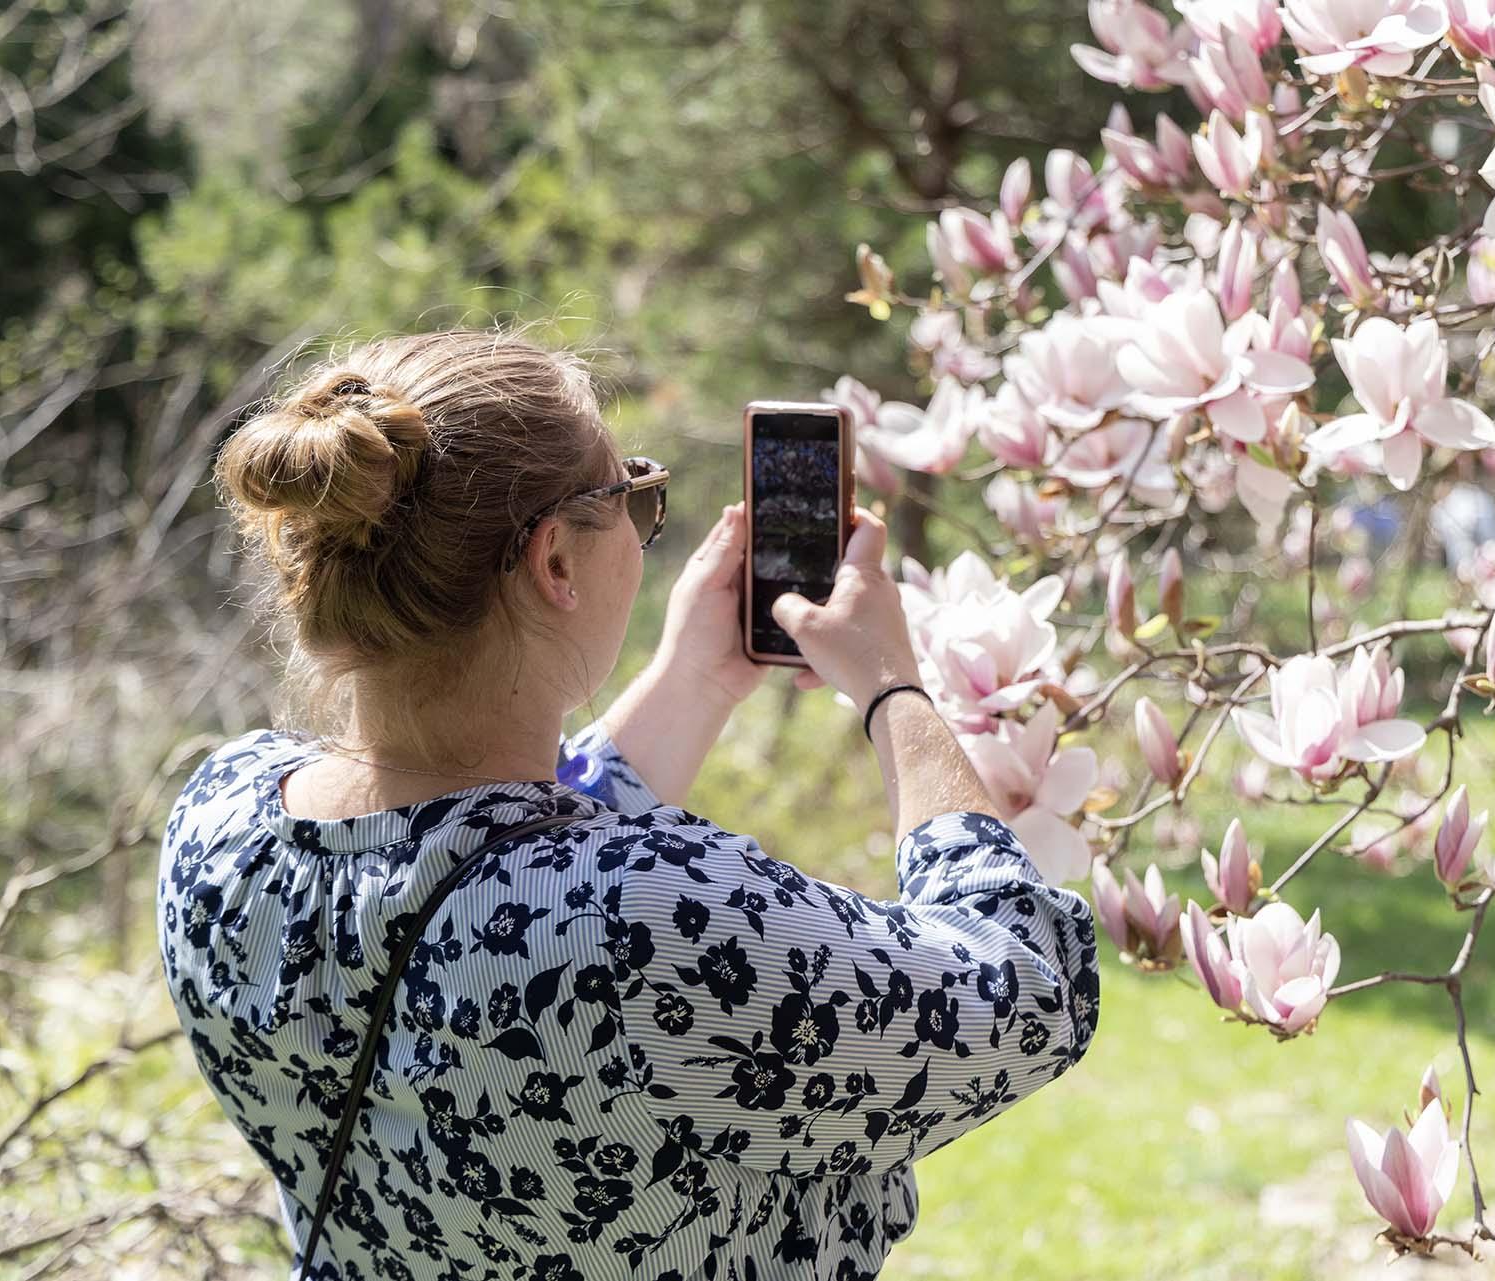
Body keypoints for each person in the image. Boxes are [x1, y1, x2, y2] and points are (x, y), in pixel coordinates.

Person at [156, 331, 1101, 1281]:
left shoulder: (221, 824)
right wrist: (895, 687)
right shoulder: (641, 920)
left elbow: (479, 848)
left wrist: (694, 678)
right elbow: (1030, 988)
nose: (647, 531)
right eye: (631, 498)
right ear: (556, 560)